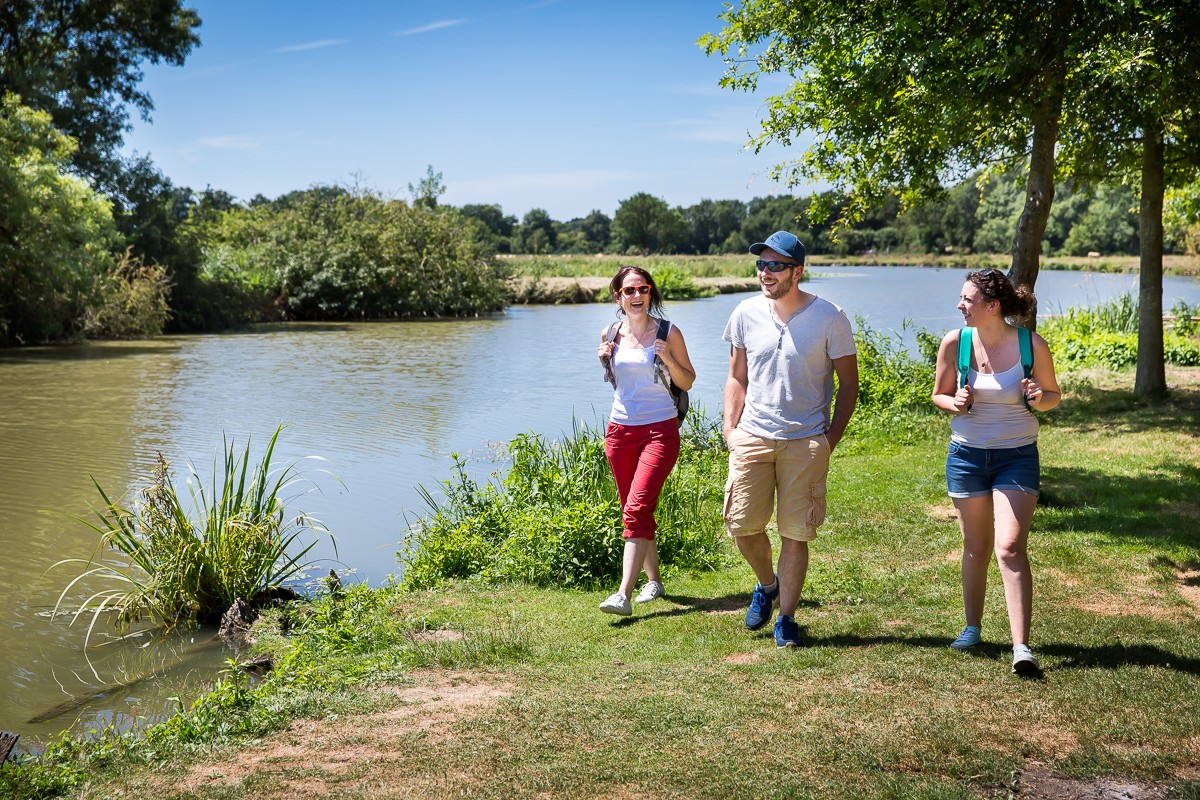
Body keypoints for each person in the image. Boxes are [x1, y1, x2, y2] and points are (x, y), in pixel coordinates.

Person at [722, 231, 859, 648]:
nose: (766, 273)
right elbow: (736, 377)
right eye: (761, 264)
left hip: (806, 441)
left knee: (795, 533)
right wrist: (731, 429)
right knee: (742, 525)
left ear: (797, 272)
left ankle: (786, 618)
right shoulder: (745, 313)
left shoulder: (830, 317)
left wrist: (829, 438)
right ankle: (767, 584)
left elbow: (849, 385)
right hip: (752, 437)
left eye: (776, 265)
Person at [931, 269, 1061, 676]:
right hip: (966, 457)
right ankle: (972, 628)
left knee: (1009, 546)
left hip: (1016, 456)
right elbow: (939, 394)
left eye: (967, 299)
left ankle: (1021, 646)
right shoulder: (956, 342)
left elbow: (1053, 395)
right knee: (975, 546)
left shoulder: (1030, 344)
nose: (959, 305)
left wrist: (1040, 398)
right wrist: (958, 403)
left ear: (992, 306)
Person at [596, 266, 696, 616]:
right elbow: (622, 385)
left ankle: (622, 594)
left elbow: (688, 381)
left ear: (650, 293)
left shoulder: (669, 332)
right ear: (618, 296)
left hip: (659, 430)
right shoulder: (610, 333)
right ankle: (654, 581)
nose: (636, 296)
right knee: (634, 511)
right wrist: (605, 360)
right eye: (629, 290)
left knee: (637, 508)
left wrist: (667, 356)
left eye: (643, 288)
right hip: (619, 431)